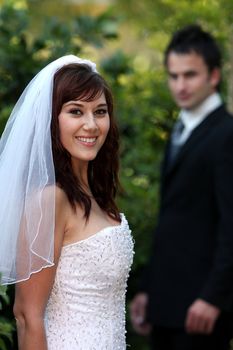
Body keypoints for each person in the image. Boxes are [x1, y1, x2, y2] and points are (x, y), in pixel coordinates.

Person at [0, 55, 134, 349]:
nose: (91, 124)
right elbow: (26, 316)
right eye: (76, 111)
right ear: (52, 119)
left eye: (100, 111)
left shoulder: (95, 195)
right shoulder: (50, 199)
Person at [130, 24, 233, 350]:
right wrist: (149, 288)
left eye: (190, 75)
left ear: (213, 76)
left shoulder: (227, 135)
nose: (180, 86)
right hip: (166, 303)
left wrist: (213, 297)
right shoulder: (181, 128)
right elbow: (172, 218)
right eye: (173, 76)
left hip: (202, 311)